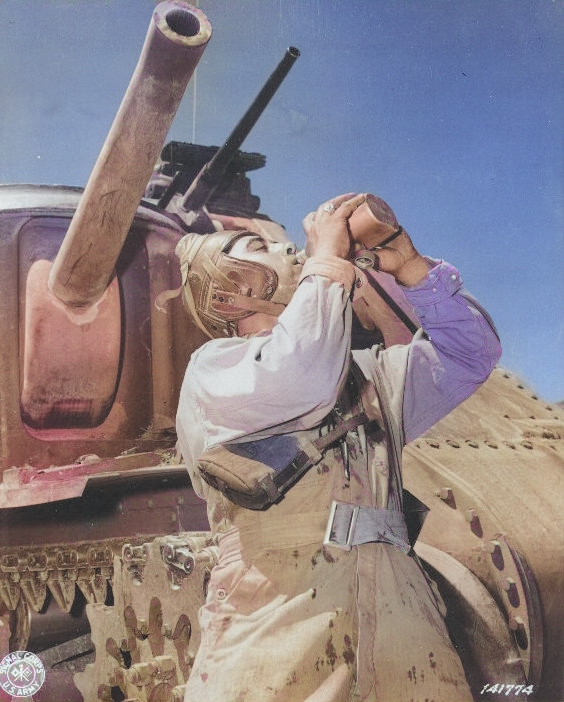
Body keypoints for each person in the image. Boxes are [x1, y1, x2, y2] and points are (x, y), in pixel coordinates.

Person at [175, 192, 501, 702]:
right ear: (227, 297)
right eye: (255, 247)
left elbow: (472, 355)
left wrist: (410, 268)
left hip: (403, 610)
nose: (284, 249)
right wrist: (327, 261)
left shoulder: (366, 377)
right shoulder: (217, 369)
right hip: (277, 614)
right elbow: (299, 377)